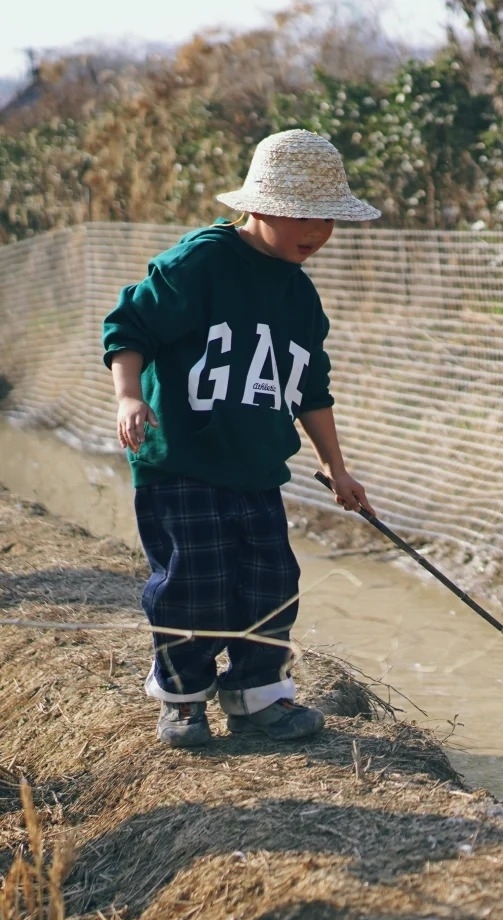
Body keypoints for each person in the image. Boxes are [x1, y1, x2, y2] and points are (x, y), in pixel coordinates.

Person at [102, 128, 377, 748]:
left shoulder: (300, 295)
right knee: (193, 580)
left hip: (255, 464)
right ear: (258, 207)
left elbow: (311, 388)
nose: (317, 232)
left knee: (269, 581)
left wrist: (337, 467)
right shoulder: (200, 263)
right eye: (302, 216)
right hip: (181, 459)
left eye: (327, 219)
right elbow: (129, 325)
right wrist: (129, 395)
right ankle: (182, 698)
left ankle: (259, 696)